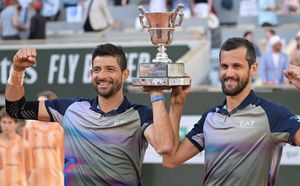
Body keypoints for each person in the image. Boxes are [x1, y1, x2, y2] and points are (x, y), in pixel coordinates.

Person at [162, 37, 300, 186]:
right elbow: (170, 160)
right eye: (224, 66)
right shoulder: (210, 117)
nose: (229, 73)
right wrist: (177, 104)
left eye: (237, 66)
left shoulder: (271, 114)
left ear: (253, 68)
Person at [5, 43, 174, 185]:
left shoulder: (139, 114)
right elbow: (16, 108)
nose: (102, 75)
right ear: (91, 73)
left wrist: (156, 93)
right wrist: (17, 70)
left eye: (110, 69)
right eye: (97, 69)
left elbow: (164, 146)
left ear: (125, 75)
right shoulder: (70, 108)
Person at [23, 90, 64, 186]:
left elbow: (63, 155)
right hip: (33, 178)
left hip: (55, 177)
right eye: (38, 103)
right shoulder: (29, 127)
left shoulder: (60, 128)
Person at [0, 107, 30, 186]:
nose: (6, 126)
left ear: (16, 124)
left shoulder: (25, 144)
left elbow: (28, 171)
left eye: (10, 122)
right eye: (4, 122)